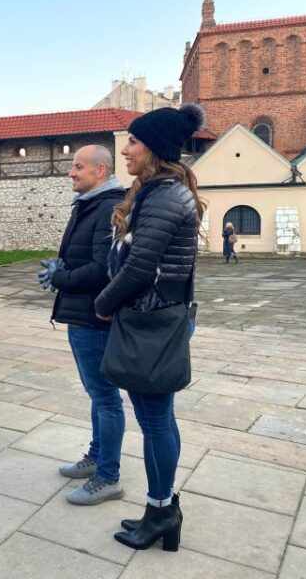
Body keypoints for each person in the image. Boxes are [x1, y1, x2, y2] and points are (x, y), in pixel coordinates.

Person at [94, 103, 205, 551]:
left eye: (134, 141)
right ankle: (162, 508)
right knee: (159, 418)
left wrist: (103, 304)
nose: (126, 150)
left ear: (155, 148)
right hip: (157, 317)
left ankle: (161, 510)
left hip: (150, 320)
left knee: (155, 420)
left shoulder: (162, 196)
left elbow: (139, 268)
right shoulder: (162, 191)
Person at [39, 145, 127, 506]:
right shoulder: (91, 204)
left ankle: (108, 476)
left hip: (95, 318)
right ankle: (96, 458)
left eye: (77, 167)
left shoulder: (107, 207)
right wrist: (59, 270)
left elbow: (101, 269)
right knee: (97, 394)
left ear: (100, 170)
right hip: (82, 315)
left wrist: (60, 277)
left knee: (106, 397)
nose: (70, 173)